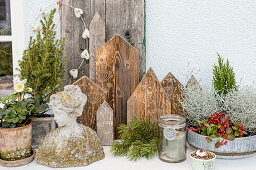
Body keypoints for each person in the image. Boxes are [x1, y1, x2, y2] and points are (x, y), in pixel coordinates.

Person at [36, 85, 105, 168]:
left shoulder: (89, 135)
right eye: (54, 114)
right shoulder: (51, 137)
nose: (55, 118)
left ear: (71, 113)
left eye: (58, 113)